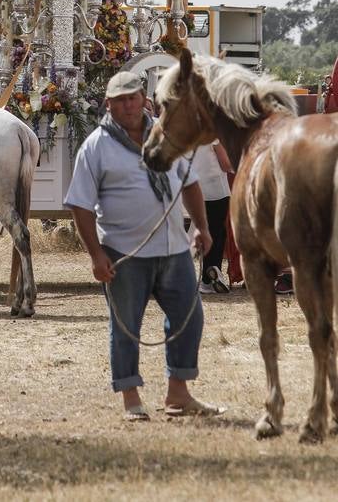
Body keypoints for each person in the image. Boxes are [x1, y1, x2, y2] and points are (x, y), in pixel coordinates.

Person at [65, 70, 222, 422]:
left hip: (174, 248)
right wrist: (95, 255)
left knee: (189, 317)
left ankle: (178, 394)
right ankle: (131, 399)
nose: (128, 105)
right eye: (119, 99)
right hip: (124, 253)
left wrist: (200, 225)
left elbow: (190, 184)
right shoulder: (96, 147)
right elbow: (79, 204)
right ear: (108, 104)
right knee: (125, 328)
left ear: (144, 99)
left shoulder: (167, 136)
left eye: (132, 97)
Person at [192, 141, 232, 294]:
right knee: (216, 233)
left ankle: (209, 276)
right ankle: (209, 277)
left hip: (193, 188)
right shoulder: (213, 135)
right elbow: (225, 164)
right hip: (215, 189)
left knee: (203, 231)